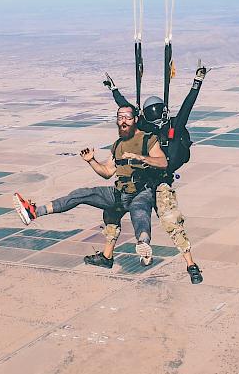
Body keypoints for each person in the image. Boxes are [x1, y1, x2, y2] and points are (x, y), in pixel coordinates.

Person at [13, 104, 165, 268]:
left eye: (128, 117)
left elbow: (163, 162)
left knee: (140, 213)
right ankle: (34, 212)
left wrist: (140, 157)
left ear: (135, 119)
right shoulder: (118, 145)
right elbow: (107, 172)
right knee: (81, 194)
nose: (123, 121)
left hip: (141, 191)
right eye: (120, 117)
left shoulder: (148, 140)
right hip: (119, 193)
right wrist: (91, 161)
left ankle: (144, 246)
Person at [103, 64, 206, 284]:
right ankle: (191, 265)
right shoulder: (169, 126)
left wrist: (114, 91)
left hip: (150, 184)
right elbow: (187, 106)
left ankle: (107, 255)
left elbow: (127, 109)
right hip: (149, 184)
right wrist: (197, 82)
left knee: (117, 212)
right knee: (171, 224)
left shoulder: (148, 127)